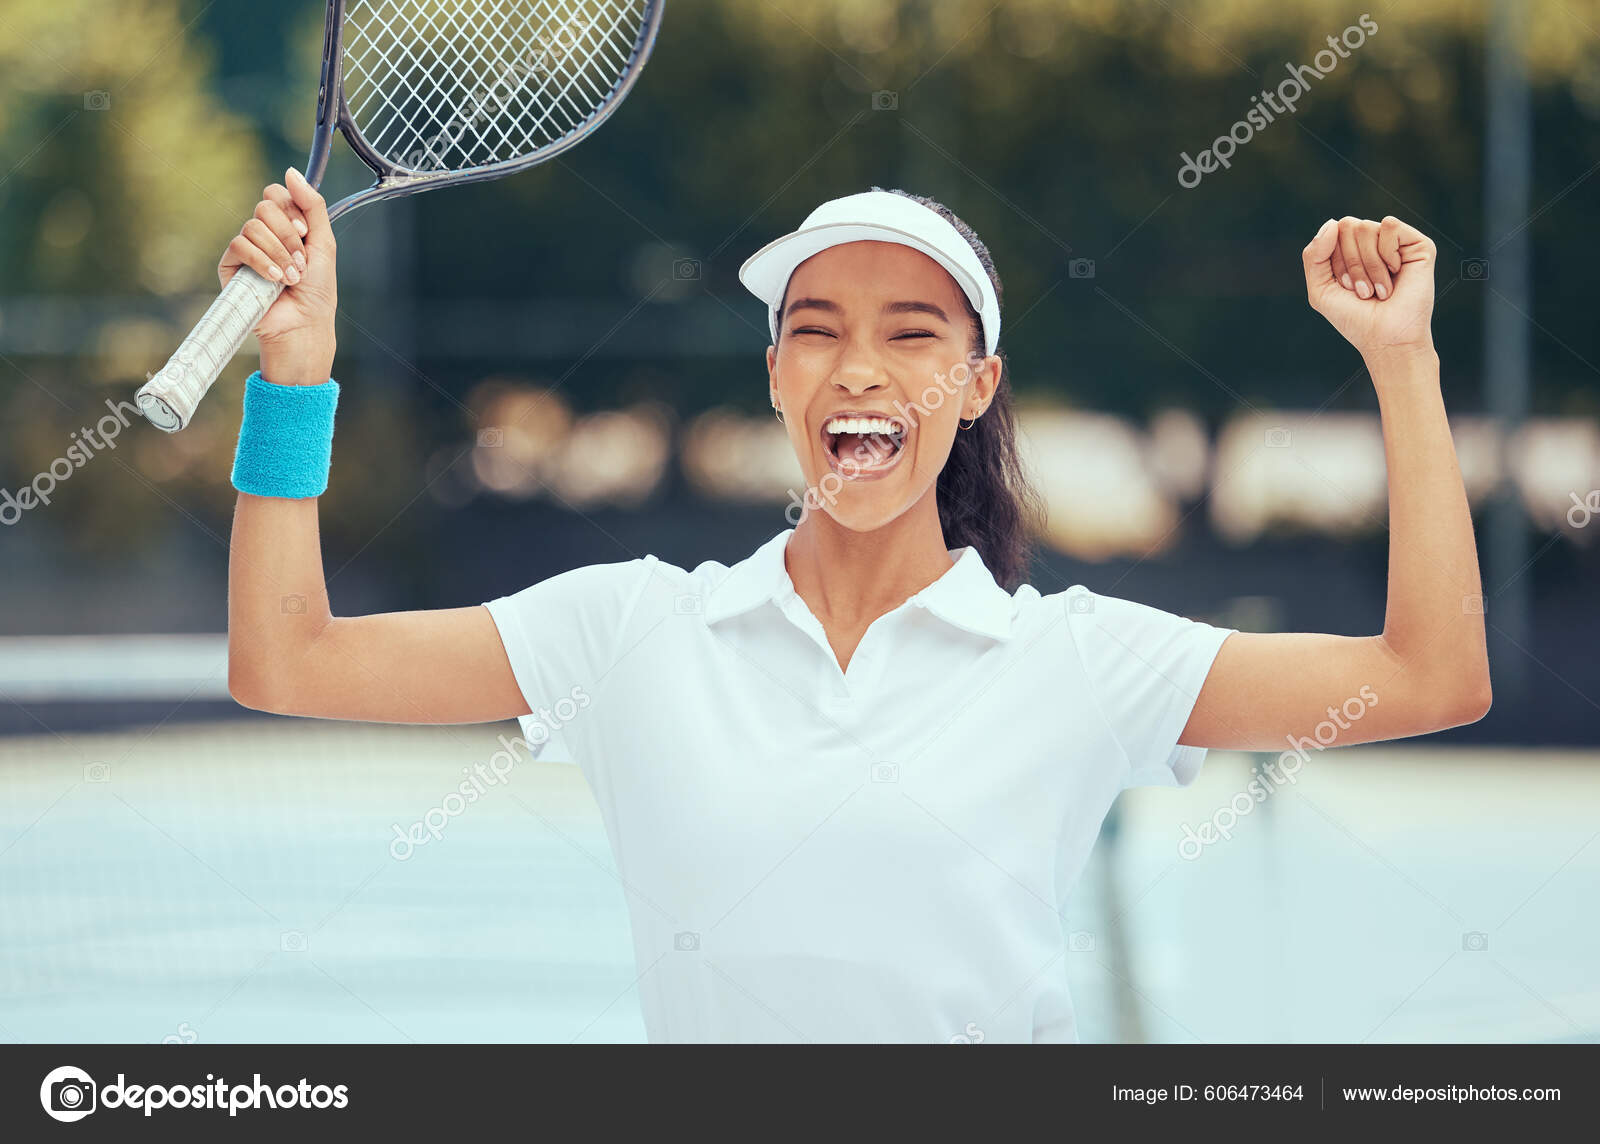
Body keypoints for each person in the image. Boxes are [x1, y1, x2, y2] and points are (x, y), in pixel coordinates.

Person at [222, 168, 1490, 1042]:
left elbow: (1432, 676)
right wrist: (295, 378)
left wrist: (1403, 360)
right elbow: (289, 659)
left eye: (913, 333)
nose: (862, 368)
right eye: (817, 330)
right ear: (778, 376)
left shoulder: (1082, 660)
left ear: (978, 381)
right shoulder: (627, 633)